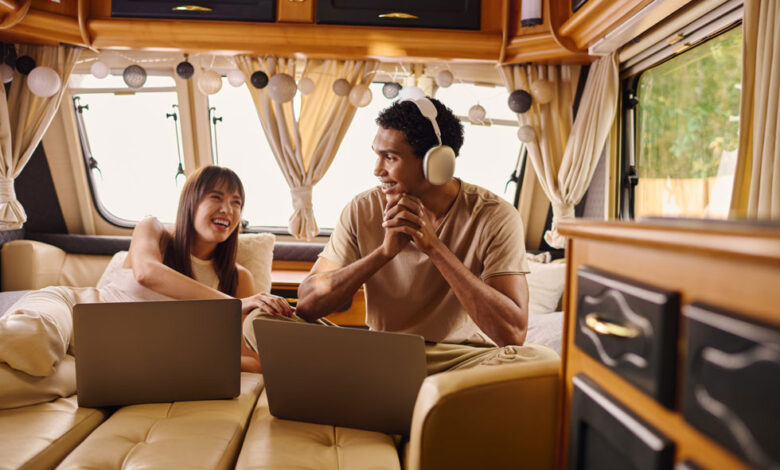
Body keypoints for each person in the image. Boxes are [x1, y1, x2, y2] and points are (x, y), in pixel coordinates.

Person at [293, 97, 533, 375]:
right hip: (387, 353)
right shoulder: (362, 208)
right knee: (263, 320)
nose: (377, 169)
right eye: (377, 154)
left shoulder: (495, 216)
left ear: (437, 163)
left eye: (390, 157)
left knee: (538, 359)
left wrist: (434, 248)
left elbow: (513, 334)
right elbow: (307, 304)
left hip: (461, 360)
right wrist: (383, 253)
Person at [125, 165, 293, 372]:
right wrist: (235, 304)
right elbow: (146, 273)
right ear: (190, 203)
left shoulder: (237, 278)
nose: (228, 209)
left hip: (138, 360)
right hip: (78, 321)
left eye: (236, 202)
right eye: (216, 197)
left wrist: (197, 358)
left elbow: (254, 362)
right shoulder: (152, 229)